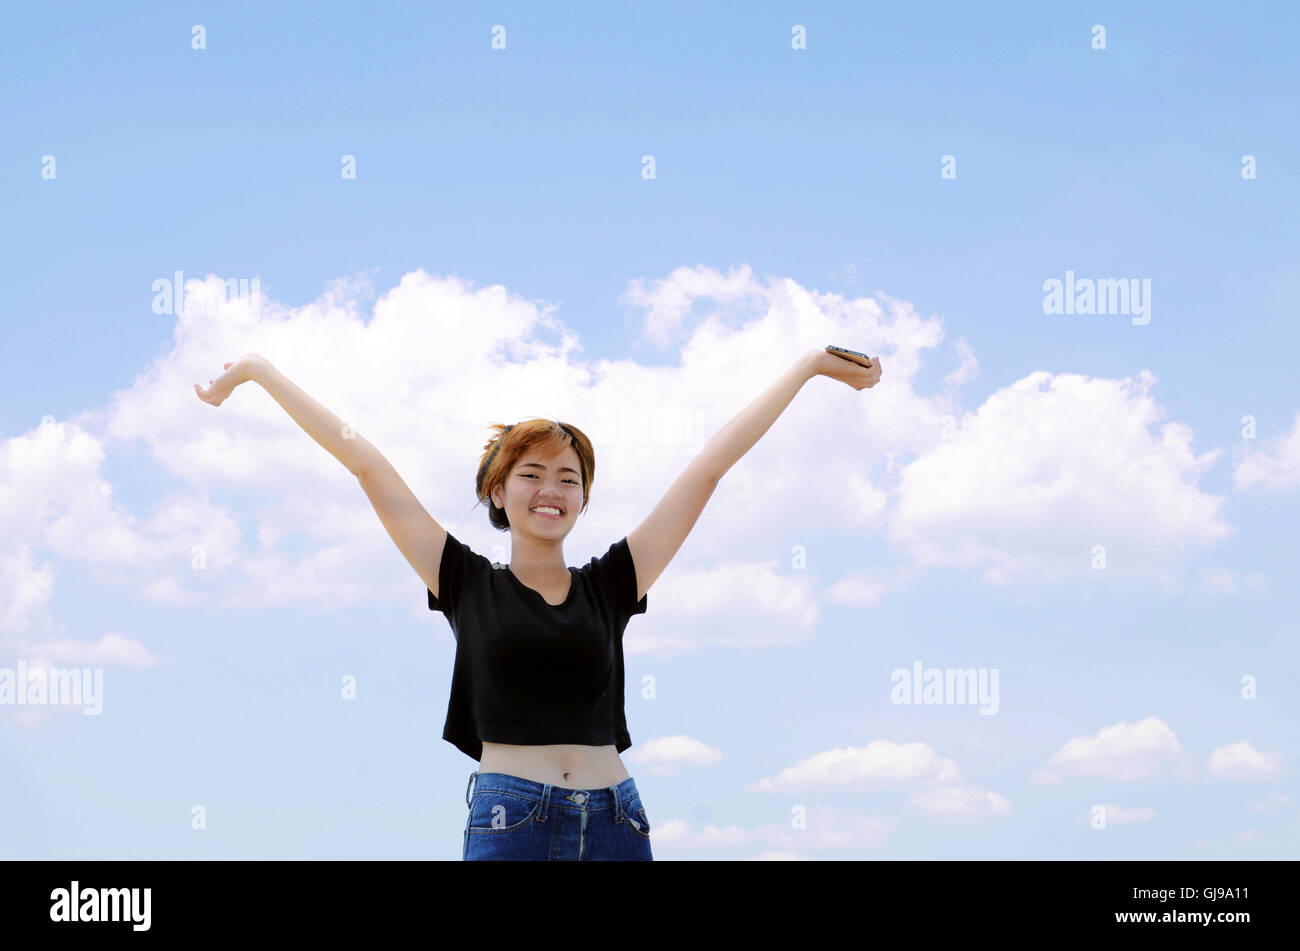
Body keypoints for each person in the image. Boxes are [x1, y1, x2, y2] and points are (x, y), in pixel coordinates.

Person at [195, 346, 882, 859]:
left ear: (583, 497)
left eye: (568, 477)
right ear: (498, 490)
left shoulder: (612, 583)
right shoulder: (464, 581)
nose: (551, 488)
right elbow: (366, 463)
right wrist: (259, 370)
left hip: (618, 819)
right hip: (511, 819)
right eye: (531, 473)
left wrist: (807, 368)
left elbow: (707, 467)